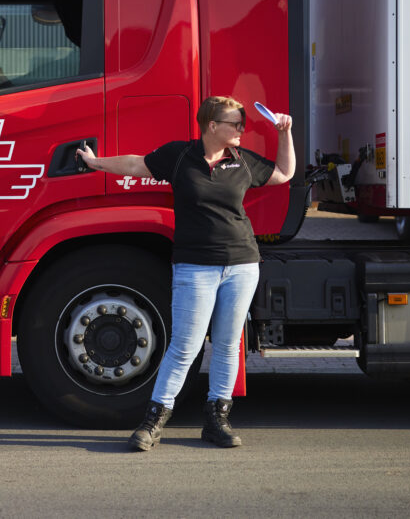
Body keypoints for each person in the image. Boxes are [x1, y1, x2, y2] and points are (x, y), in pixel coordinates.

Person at [76, 95, 295, 451]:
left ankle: (217, 421)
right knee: (185, 347)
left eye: (242, 123)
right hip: (195, 267)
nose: (241, 129)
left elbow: (284, 174)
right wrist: (94, 162)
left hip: (241, 265)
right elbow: (135, 165)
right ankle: (153, 422)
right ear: (212, 126)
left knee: (227, 345)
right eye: (234, 123)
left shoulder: (242, 161)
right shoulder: (179, 156)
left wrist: (285, 133)